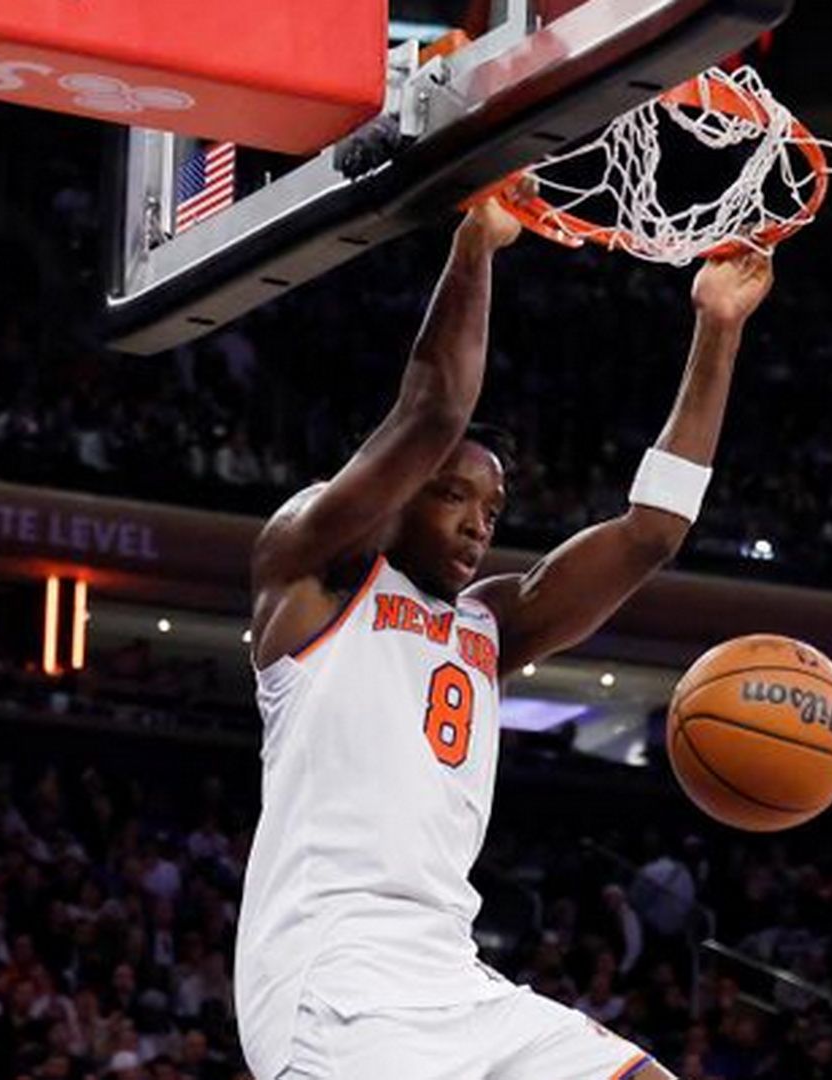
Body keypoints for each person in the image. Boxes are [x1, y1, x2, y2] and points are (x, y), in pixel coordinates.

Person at [234, 196, 772, 1080]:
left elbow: (651, 533)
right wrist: (477, 240)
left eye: (493, 509)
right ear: (392, 490)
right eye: (453, 495)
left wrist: (718, 329)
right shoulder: (312, 573)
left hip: (452, 978)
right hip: (330, 976)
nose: (479, 523)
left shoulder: (489, 625)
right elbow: (434, 411)